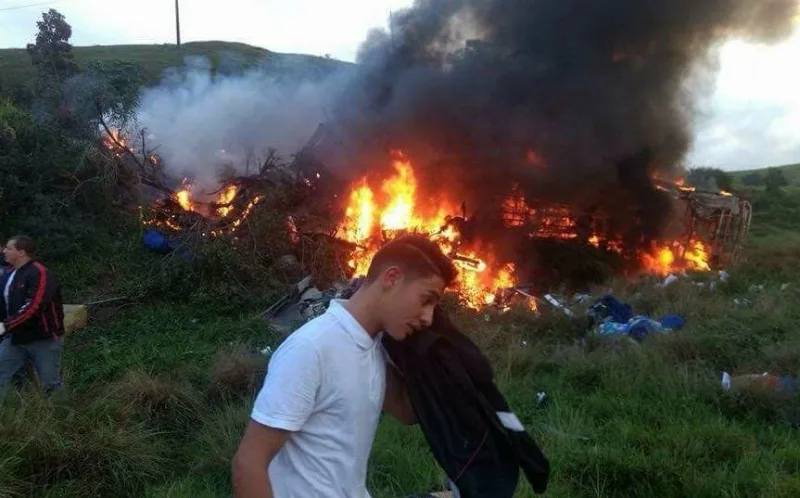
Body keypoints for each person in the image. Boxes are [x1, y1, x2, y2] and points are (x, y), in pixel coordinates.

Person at [232, 234, 458, 498]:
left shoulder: (374, 347)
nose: (428, 317)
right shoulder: (312, 348)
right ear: (392, 278)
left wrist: (432, 353)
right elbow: (248, 464)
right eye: (426, 299)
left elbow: (408, 411)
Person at [0, 235, 65, 396]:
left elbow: (34, 307)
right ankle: (9, 412)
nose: (4, 251)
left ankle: (61, 415)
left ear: (21, 252)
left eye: (8, 248)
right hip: (16, 337)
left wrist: (5, 326)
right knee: (2, 373)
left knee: (50, 383)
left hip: (43, 337)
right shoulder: (11, 274)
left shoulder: (39, 272)